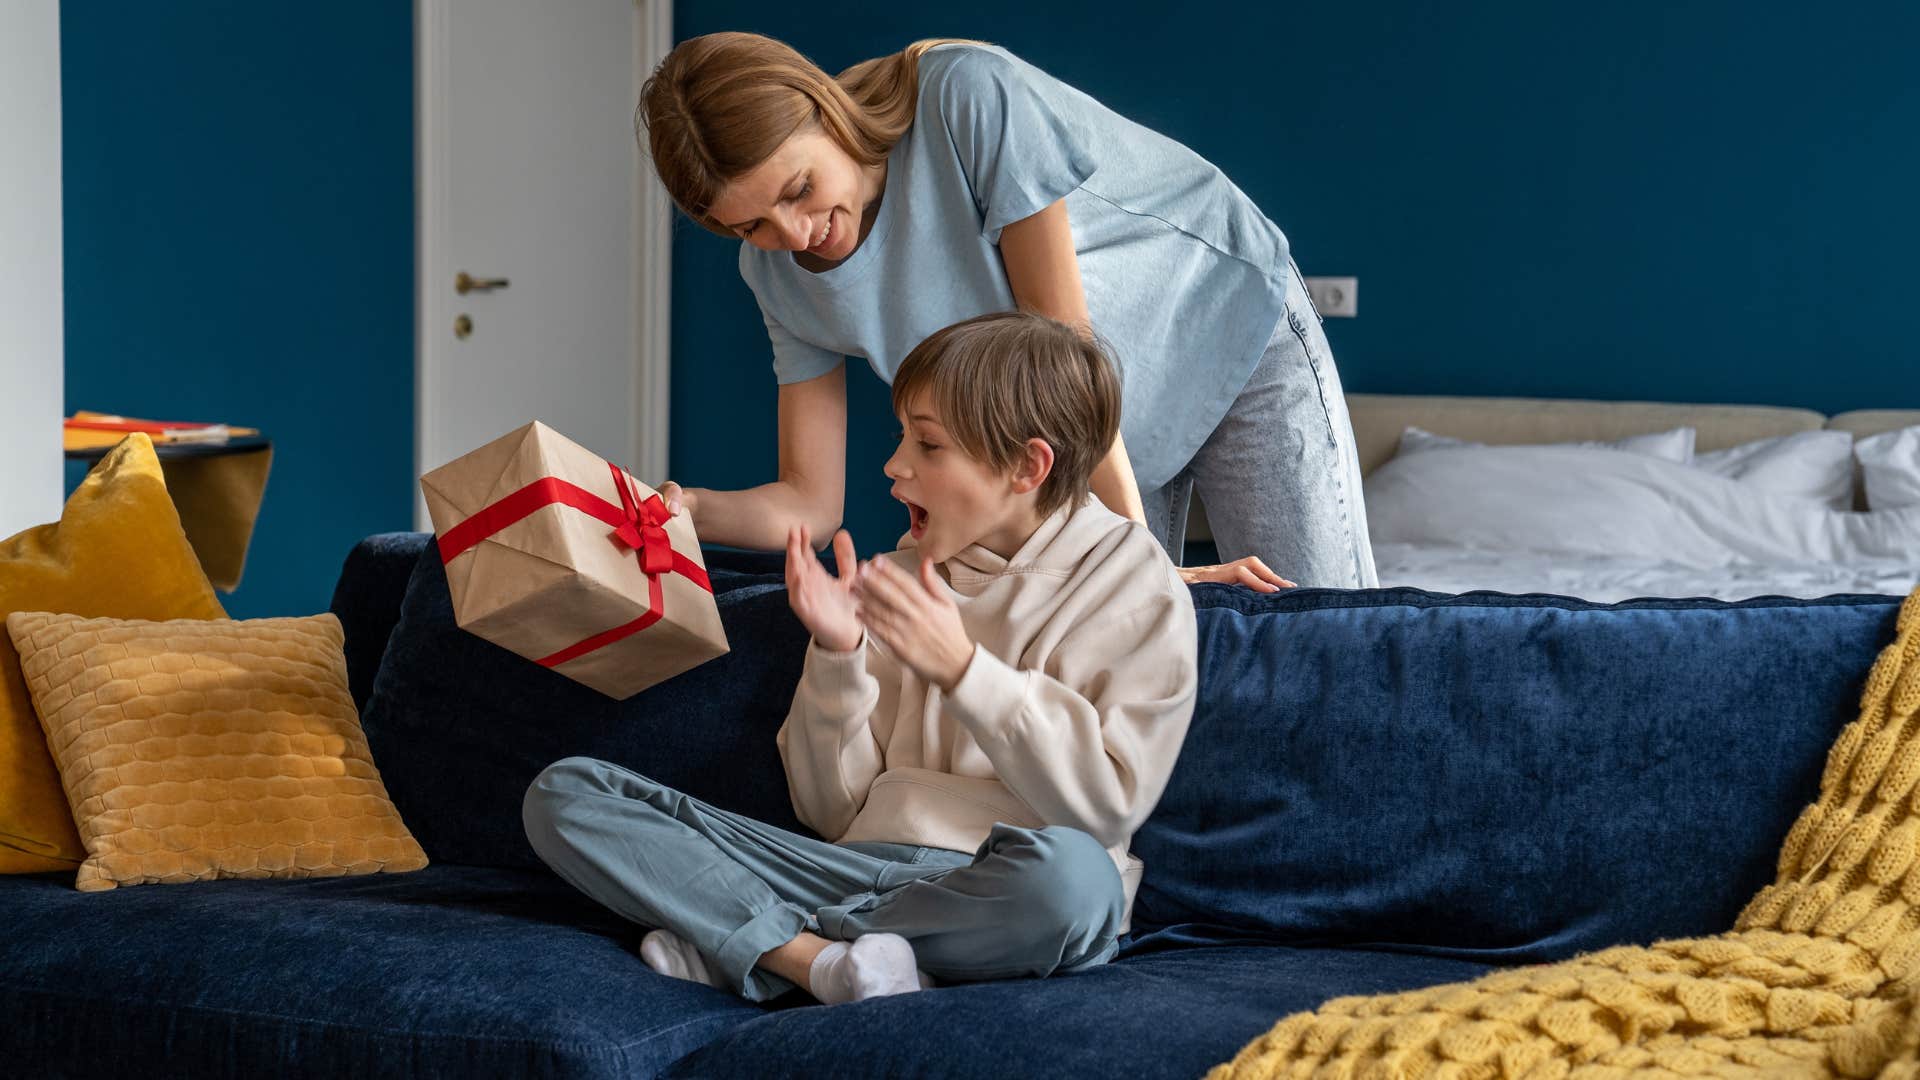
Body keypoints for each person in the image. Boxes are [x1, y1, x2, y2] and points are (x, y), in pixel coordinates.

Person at [522, 311, 1198, 1002]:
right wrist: (838, 655)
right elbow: (830, 814)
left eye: (928, 446)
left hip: (996, 886)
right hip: (844, 866)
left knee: (1077, 885)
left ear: (1028, 466)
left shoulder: (1135, 586)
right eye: (904, 436)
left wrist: (965, 670)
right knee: (566, 794)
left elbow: (1107, 809)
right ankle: (825, 959)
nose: (894, 465)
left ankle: (758, 942)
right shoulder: (896, 577)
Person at [643, 32, 1377, 590]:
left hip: (1220, 324)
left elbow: (1065, 349)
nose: (794, 234)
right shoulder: (778, 276)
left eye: (798, 189)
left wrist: (1133, 566)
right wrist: (690, 511)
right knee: (1134, 668)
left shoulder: (963, 96)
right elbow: (809, 503)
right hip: (1092, 431)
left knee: (1315, 636)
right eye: (751, 225)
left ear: (822, 110)